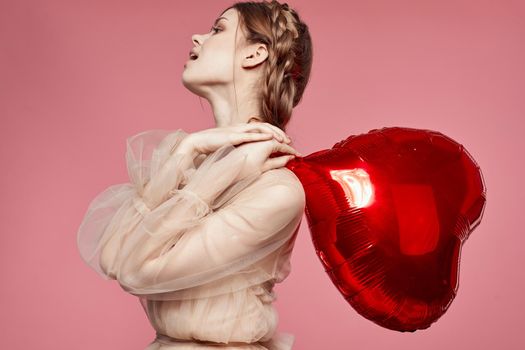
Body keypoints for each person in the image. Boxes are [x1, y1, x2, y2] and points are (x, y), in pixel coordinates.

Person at [76, 1, 313, 349]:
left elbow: (136, 272)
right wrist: (188, 150)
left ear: (255, 55)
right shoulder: (195, 161)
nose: (197, 36)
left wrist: (214, 170)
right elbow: (112, 257)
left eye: (218, 29)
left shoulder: (276, 189)